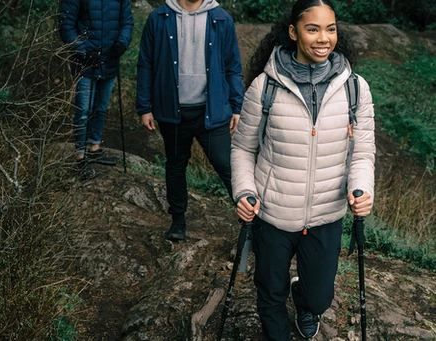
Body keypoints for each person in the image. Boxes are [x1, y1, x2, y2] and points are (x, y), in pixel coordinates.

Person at [231, 0, 375, 340]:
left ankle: (307, 302)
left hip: (325, 214)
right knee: (269, 292)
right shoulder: (264, 87)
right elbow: (242, 148)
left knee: (319, 298)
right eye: (313, 29)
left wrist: (361, 188)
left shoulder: (355, 89)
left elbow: (363, 151)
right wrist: (244, 191)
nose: (323, 38)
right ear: (294, 32)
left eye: (331, 29)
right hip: (272, 212)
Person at [136, 0, 244, 241]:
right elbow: (146, 64)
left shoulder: (221, 18)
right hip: (172, 111)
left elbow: (232, 66)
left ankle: (251, 221)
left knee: (227, 165)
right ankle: (178, 220)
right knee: (175, 165)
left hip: (212, 110)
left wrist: (237, 105)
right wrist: (144, 107)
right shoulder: (159, 18)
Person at [58, 0, 134, 181]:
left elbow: (127, 22)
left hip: (109, 60)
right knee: (83, 109)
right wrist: (82, 51)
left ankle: (94, 147)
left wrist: (122, 43)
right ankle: (79, 156)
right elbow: (66, 25)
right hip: (84, 63)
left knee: (101, 106)